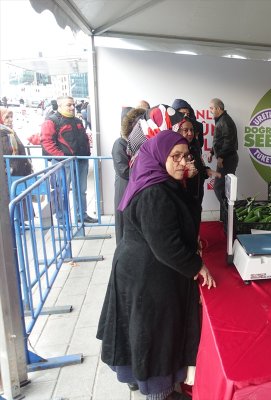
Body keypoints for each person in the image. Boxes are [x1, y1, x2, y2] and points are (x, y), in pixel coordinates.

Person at [97, 130, 216, 400]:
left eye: (186, 155)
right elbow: (166, 246)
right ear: (160, 157)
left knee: (149, 336)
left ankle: (156, 387)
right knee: (155, 337)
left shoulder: (158, 180)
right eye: (175, 156)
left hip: (145, 271)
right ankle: (159, 394)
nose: (182, 162)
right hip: (148, 277)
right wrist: (198, 266)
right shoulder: (155, 192)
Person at [40, 96, 97, 224]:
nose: (72, 107)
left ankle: (81, 215)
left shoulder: (77, 120)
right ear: (60, 106)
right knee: (61, 192)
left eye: (73, 104)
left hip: (81, 161)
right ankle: (62, 220)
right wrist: (62, 157)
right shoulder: (51, 121)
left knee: (81, 191)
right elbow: (46, 142)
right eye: (69, 105)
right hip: (63, 163)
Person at [112, 107, 146, 243]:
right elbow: (124, 171)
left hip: (137, 189)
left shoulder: (140, 144)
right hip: (125, 189)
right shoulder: (120, 143)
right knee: (123, 226)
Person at [208, 98, 238, 219]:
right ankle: (226, 217)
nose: (210, 111)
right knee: (225, 189)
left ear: (218, 108)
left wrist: (220, 157)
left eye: (211, 108)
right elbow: (219, 140)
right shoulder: (221, 120)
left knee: (219, 187)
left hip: (227, 159)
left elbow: (228, 142)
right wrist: (211, 152)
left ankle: (231, 215)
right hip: (225, 158)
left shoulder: (225, 121)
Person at [0, 107, 33, 177]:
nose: (11, 120)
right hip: (10, 174)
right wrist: (11, 169)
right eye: (7, 117)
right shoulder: (3, 134)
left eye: (11, 117)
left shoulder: (11, 132)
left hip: (18, 170)